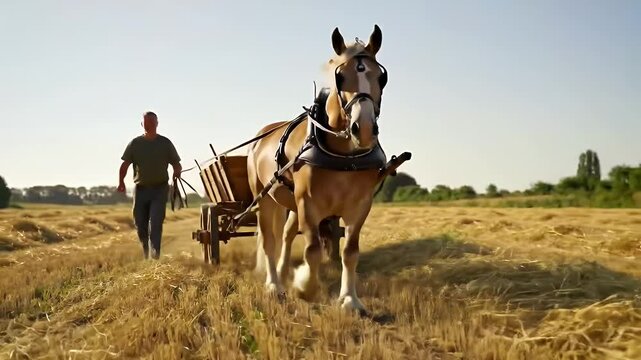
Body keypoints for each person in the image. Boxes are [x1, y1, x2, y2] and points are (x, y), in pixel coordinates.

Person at [117, 111, 182, 259]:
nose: (149, 125)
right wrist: (121, 182)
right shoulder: (135, 144)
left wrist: (176, 173)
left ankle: (155, 255)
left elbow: (176, 164)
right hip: (140, 190)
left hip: (160, 189)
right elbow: (124, 165)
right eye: (146, 123)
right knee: (140, 223)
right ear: (142, 124)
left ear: (157, 124)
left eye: (151, 123)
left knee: (156, 221)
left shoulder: (165, 143)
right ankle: (146, 250)